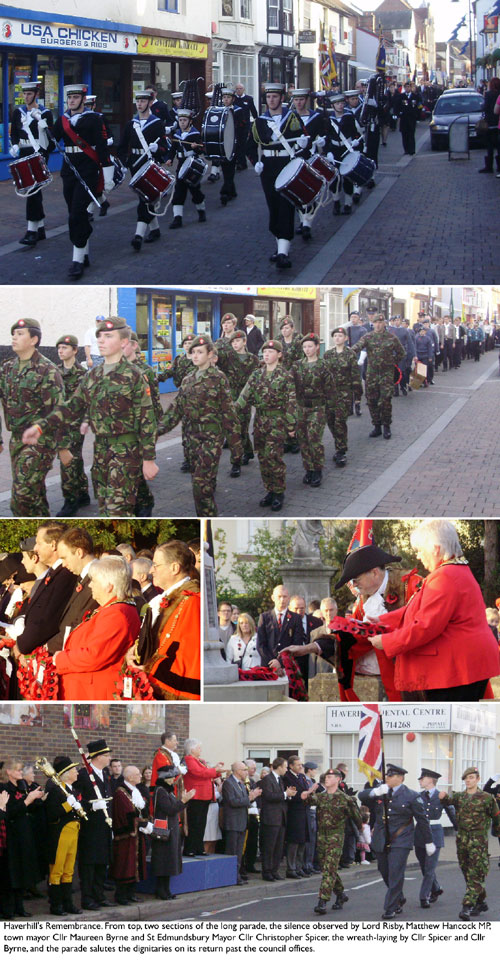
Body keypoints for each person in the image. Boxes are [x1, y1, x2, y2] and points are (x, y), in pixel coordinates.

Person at [22, 316, 159, 517]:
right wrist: (41, 426)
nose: (101, 340)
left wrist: (149, 458)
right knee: (105, 507)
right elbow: (71, 407)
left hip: (126, 453)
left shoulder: (135, 376)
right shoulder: (92, 376)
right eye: (99, 336)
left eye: (108, 336)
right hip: (101, 452)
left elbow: (147, 418)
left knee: (116, 512)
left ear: (124, 342)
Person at [368, 519, 500, 701]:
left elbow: (426, 626)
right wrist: (384, 621)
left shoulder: (445, 577)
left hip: (454, 668)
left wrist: (388, 641)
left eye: (420, 551)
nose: (419, 556)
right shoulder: (454, 570)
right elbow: (422, 607)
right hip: (464, 663)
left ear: (435, 549)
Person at [157, 335, 243, 516]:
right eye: (193, 352)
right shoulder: (188, 379)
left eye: (200, 352)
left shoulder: (219, 378)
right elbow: (175, 409)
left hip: (211, 439)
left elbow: (228, 412)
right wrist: (156, 432)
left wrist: (236, 446)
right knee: (202, 482)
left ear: (210, 354)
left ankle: (208, 517)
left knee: (200, 485)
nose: (195, 356)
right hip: (191, 438)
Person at [0, 317, 68, 517]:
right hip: (17, 440)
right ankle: (47, 529)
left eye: (20, 334)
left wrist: (63, 447)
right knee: (34, 495)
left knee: (21, 496)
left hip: (41, 441)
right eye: (13, 334)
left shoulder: (47, 370)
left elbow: (60, 410)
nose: (14, 338)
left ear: (34, 339)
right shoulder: (7, 368)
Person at [52, 556, 140, 700]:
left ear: (108, 586)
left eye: (94, 581)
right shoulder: (110, 609)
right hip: (86, 688)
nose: (90, 585)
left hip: (94, 692)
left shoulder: (116, 613)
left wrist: (61, 659)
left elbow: (94, 655)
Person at [53, 83, 113, 279]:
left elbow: (102, 146)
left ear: (83, 99)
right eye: (69, 98)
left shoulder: (94, 119)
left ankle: (77, 260)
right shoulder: (63, 120)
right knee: (74, 212)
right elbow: (49, 143)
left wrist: (107, 174)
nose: (71, 101)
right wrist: (39, 129)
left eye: (76, 98)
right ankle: (84, 247)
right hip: (69, 169)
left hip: (87, 169)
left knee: (76, 214)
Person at [359, 764, 434, 920]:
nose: (386, 778)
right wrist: (375, 791)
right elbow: (361, 796)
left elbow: (422, 820)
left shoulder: (412, 796)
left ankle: (391, 907)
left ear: (400, 778)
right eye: (387, 776)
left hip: (401, 839)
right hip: (381, 838)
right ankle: (399, 897)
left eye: (390, 776)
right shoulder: (381, 792)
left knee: (395, 872)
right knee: (384, 871)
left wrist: (428, 841)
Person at [134, 540, 200, 700]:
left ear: (174, 568)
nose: (151, 570)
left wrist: (148, 670)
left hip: (169, 690)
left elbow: (188, 658)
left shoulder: (192, 601)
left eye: (156, 565)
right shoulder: (161, 599)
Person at [236, 339, 297, 512]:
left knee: (274, 457)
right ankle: (269, 490)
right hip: (260, 422)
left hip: (277, 423)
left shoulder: (285, 376)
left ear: (279, 355)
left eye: (270, 352)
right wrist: (232, 412)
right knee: (262, 458)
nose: (267, 355)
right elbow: (244, 395)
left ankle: (279, 492)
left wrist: (291, 426)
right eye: (265, 352)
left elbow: (291, 402)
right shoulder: (257, 374)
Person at [252, 82, 309, 268]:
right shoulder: (260, 121)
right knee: (273, 206)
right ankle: (279, 248)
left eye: (275, 97)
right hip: (268, 167)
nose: (271, 100)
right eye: (268, 97)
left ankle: (284, 252)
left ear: (282, 98)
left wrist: (302, 145)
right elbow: (249, 145)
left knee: (286, 206)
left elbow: (304, 138)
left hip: (287, 164)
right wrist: (256, 162)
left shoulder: (291, 117)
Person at [438, 767, 500, 920]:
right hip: (462, 840)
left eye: (471, 777)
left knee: (474, 873)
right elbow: (448, 800)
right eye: (466, 778)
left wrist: (497, 832)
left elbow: (497, 816)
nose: (468, 780)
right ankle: (480, 901)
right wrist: (443, 796)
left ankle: (467, 906)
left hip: (478, 841)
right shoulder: (460, 797)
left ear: (477, 779)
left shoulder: (486, 798)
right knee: (467, 871)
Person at [12, 523, 77, 657]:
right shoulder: (53, 573)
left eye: (39, 543)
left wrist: (21, 645)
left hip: (48, 653)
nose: (35, 548)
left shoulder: (65, 575)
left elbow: (46, 619)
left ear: (53, 545)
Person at [117, 89, 169, 250]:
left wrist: (157, 149)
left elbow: (165, 147)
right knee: (146, 196)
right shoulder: (131, 124)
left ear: (149, 103)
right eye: (137, 101)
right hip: (135, 163)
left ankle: (138, 236)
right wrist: (125, 162)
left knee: (145, 198)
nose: (139, 104)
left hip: (150, 163)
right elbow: (122, 146)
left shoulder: (157, 123)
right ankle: (155, 230)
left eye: (143, 101)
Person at [9, 80, 53, 247]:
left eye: (29, 94)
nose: (26, 97)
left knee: (33, 190)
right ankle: (40, 229)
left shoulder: (46, 113)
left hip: (39, 153)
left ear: (36, 94)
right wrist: (14, 145)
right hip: (24, 152)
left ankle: (31, 231)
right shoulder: (17, 112)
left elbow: (50, 141)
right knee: (34, 190)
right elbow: (14, 133)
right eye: (24, 94)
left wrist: (43, 128)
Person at [312, 768, 362, 914]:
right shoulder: (320, 797)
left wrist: (362, 831)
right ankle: (341, 895)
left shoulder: (345, 799)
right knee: (328, 868)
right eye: (326, 777)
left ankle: (322, 901)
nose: (326, 779)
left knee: (329, 869)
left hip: (336, 836)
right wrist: (307, 792)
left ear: (338, 779)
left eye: (329, 777)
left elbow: (357, 818)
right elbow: (307, 801)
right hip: (321, 836)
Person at [1, 757, 46, 919]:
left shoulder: (21, 786)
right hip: (12, 836)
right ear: (9, 772)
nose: (21, 772)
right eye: (18, 770)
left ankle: (20, 907)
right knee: (11, 873)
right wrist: (29, 799)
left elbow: (28, 808)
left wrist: (37, 799)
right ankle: (8, 909)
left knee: (23, 871)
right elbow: (10, 812)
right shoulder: (4, 789)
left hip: (25, 832)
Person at [74, 739, 113, 911]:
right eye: (106, 755)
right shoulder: (84, 775)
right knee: (89, 864)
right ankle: (87, 898)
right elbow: (76, 801)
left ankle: (99, 895)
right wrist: (91, 806)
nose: (109, 758)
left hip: (104, 826)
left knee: (101, 863)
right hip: (89, 828)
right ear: (97, 757)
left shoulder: (104, 774)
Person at [353, 314, 405, 439]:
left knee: (385, 400)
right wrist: (346, 352)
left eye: (380, 323)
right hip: (372, 374)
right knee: (371, 400)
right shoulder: (368, 337)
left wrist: (392, 362)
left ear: (384, 324)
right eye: (376, 323)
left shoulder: (391, 338)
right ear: (373, 323)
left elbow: (401, 352)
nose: (378, 325)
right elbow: (357, 347)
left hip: (386, 374)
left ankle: (386, 426)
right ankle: (376, 426)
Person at [55, 334, 90, 516]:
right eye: (59, 348)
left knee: (67, 460)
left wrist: (83, 422)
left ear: (75, 350)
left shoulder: (82, 375)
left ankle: (70, 501)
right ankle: (83, 493)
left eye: (65, 348)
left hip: (75, 425)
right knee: (75, 459)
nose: (61, 351)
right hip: (59, 425)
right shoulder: (54, 372)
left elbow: (86, 402)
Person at [45, 755, 83, 916]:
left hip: (73, 831)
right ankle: (56, 905)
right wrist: (69, 805)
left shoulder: (72, 790)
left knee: (69, 869)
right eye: (74, 770)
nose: (77, 772)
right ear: (66, 773)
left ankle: (68, 903)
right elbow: (52, 814)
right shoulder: (56, 789)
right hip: (60, 833)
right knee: (57, 869)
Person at [291, 333, 331, 488]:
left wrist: (331, 408)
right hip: (301, 407)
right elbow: (290, 384)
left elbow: (330, 388)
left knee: (314, 438)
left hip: (317, 407)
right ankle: (308, 468)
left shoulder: (323, 365)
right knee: (303, 440)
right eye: (304, 347)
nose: (307, 350)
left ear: (316, 347)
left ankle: (318, 469)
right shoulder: (297, 365)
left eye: (310, 346)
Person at [151, 765, 195, 900]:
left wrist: (183, 800)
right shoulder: (160, 791)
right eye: (170, 778)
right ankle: (161, 890)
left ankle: (166, 889)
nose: (172, 780)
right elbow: (170, 809)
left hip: (171, 829)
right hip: (165, 830)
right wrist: (184, 800)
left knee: (169, 861)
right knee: (164, 861)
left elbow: (175, 807)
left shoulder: (168, 791)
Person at [415, 768, 456, 908]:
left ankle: (424, 896)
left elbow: (451, 812)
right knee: (423, 865)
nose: (420, 781)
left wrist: (459, 828)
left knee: (430, 867)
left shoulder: (441, 796)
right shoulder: (418, 796)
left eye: (422, 778)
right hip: (420, 833)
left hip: (435, 833)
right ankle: (436, 888)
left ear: (430, 780)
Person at [323, 326, 363, 466]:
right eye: (335, 336)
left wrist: (357, 395)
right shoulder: (328, 354)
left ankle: (341, 451)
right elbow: (324, 375)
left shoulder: (350, 354)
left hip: (344, 394)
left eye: (340, 336)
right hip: (329, 395)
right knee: (331, 421)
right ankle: (338, 441)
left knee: (340, 422)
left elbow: (355, 375)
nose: (337, 338)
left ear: (346, 338)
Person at [112, 765, 151, 905]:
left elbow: (141, 810)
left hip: (136, 835)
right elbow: (126, 815)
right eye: (137, 774)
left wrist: (144, 822)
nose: (140, 776)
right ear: (129, 777)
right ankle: (121, 895)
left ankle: (130, 893)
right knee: (125, 865)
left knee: (135, 865)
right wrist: (141, 824)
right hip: (126, 836)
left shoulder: (135, 791)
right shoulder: (121, 793)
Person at [182, 739, 225, 858]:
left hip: (204, 795)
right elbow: (199, 773)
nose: (200, 750)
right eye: (199, 748)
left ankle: (198, 847)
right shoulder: (189, 759)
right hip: (196, 794)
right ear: (192, 749)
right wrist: (214, 770)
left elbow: (206, 773)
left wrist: (217, 771)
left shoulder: (199, 760)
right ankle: (189, 848)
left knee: (201, 824)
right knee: (194, 823)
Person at [222, 762, 262, 885]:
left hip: (242, 821)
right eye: (245, 769)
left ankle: (237, 875)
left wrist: (251, 797)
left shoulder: (241, 783)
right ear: (238, 771)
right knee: (232, 851)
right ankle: (230, 876)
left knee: (239, 851)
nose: (246, 772)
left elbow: (244, 801)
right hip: (233, 822)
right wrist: (250, 798)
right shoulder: (229, 783)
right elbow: (233, 802)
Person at [167, 108, 207, 229]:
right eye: (180, 120)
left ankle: (201, 211)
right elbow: (172, 149)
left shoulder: (195, 134)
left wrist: (196, 147)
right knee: (179, 191)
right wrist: (170, 158)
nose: (182, 122)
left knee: (195, 191)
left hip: (192, 164)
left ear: (190, 121)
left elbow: (202, 148)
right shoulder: (176, 134)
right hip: (181, 165)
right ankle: (177, 218)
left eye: (184, 120)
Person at [260, 757, 297, 881]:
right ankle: (267, 871)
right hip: (271, 818)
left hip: (281, 818)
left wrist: (288, 795)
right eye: (285, 767)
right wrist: (285, 794)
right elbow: (269, 796)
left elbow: (280, 797)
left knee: (278, 847)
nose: (286, 770)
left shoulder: (279, 780)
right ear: (279, 767)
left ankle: (274, 870)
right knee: (269, 846)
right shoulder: (267, 779)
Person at [256, 584, 305, 671]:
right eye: (279, 596)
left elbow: (297, 643)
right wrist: (272, 662)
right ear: (273, 598)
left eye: (284, 596)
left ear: (289, 598)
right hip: (269, 666)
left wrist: (281, 662)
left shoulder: (296, 618)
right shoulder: (264, 617)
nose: (282, 600)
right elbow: (260, 644)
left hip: (288, 666)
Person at [283, 756, 317, 878]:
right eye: (298, 765)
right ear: (291, 766)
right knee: (294, 842)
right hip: (294, 812)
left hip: (304, 811)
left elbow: (305, 790)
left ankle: (299, 866)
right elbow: (291, 794)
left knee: (303, 841)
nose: (300, 767)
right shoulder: (287, 777)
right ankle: (291, 868)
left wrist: (309, 793)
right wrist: (301, 795)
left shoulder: (302, 776)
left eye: (301, 765)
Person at [478, 77, 500, 174]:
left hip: (490, 123)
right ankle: (499, 166)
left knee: (490, 146)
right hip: (498, 122)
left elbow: (485, 107)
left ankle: (489, 166)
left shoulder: (488, 94)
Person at [395, 81, 420, 155]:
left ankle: (412, 150)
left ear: (411, 88)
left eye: (408, 87)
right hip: (404, 119)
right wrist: (397, 114)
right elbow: (397, 106)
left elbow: (419, 106)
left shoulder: (415, 96)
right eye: (406, 87)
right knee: (404, 135)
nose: (407, 88)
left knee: (411, 135)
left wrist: (417, 115)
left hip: (412, 119)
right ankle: (406, 150)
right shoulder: (401, 96)